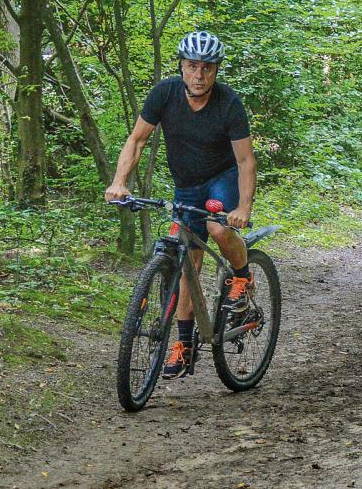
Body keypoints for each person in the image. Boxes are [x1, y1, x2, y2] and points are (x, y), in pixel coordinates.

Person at [105, 31, 257, 379]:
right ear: (182, 67)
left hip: (222, 177)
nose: (199, 75)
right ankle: (185, 345)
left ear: (216, 71)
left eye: (206, 68)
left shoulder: (228, 103)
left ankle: (243, 277)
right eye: (192, 66)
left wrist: (244, 207)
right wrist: (119, 182)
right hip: (186, 183)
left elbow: (246, 161)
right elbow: (137, 140)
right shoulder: (165, 94)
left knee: (218, 226)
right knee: (187, 260)